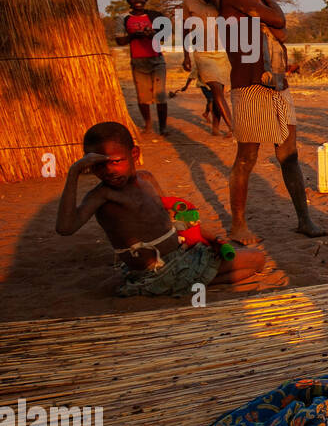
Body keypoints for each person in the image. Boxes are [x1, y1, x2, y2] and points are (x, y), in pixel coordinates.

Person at [54, 122, 266, 296]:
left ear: (134, 154)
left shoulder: (146, 179)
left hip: (183, 255)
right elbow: (65, 228)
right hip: (161, 269)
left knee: (243, 259)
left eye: (115, 161)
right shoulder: (102, 196)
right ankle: (185, 282)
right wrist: (73, 173)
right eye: (98, 166)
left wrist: (210, 239)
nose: (108, 171)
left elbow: (170, 220)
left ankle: (192, 280)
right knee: (257, 259)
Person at [213, 0, 327, 244]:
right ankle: (238, 225)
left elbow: (281, 29)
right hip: (250, 86)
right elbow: (277, 19)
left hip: (276, 84)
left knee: (289, 155)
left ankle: (304, 220)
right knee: (247, 158)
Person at [181, 0, 233, 137]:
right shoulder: (189, 3)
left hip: (222, 52)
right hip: (202, 53)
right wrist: (186, 56)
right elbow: (185, 30)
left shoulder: (220, 2)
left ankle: (215, 128)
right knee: (216, 90)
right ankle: (232, 127)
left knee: (220, 93)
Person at [114, 0, 169, 136]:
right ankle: (148, 125)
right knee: (143, 96)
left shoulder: (155, 16)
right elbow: (120, 40)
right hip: (138, 61)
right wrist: (134, 36)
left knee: (160, 95)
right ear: (128, 1)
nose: (137, 0)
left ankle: (163, 127)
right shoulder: (123, 18)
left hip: (157, 59)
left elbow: (165, 36)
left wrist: (153, 34)